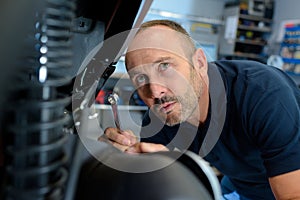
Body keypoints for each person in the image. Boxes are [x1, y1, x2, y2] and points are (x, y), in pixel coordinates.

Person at [100, 19, 300, 199]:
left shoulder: (263, 95)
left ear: (200, 63)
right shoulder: (160, 120)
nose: (155, 91)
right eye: (140, 78)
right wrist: (115, 162)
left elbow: (292, 195)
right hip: (241, 185)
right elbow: (153, 186)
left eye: (164, 66)